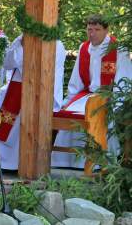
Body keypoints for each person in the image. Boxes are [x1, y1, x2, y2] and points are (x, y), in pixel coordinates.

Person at [52, 14, 132, 168]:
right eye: (89, 29)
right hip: (87, 95)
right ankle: (65, 161)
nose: (92, 33)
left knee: (98, 115)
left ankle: (97, 163)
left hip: (109, 96)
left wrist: (115, 104)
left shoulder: (118, 49)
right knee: (71, 113)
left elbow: (124, 80)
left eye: (97, 29)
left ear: (106, 30)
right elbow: (76, 79)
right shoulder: (84, 48)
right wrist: (68, 101)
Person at [0, 34, 66, 170]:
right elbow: (7, 63)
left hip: (40, 91)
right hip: (16, 88)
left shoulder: (55, 43)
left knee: (27, 124)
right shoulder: (20, 38)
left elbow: (48, 70)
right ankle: (3, 163)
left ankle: (20, 165)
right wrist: (22, 45)